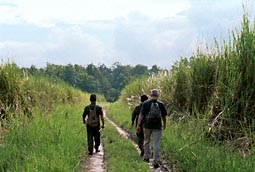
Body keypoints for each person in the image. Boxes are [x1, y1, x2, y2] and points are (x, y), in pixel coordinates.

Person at [136, 89, 167, 169]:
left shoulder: (145, 103)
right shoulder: (161, 104)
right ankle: (156, 161)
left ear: (151, 95)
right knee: (156, 143)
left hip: (146, 126)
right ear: (158, 96)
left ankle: (146, 157)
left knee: (146, 141)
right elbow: (164, 116)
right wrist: (164, 124)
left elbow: (141, 115)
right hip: (157, 127)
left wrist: (138, 125)